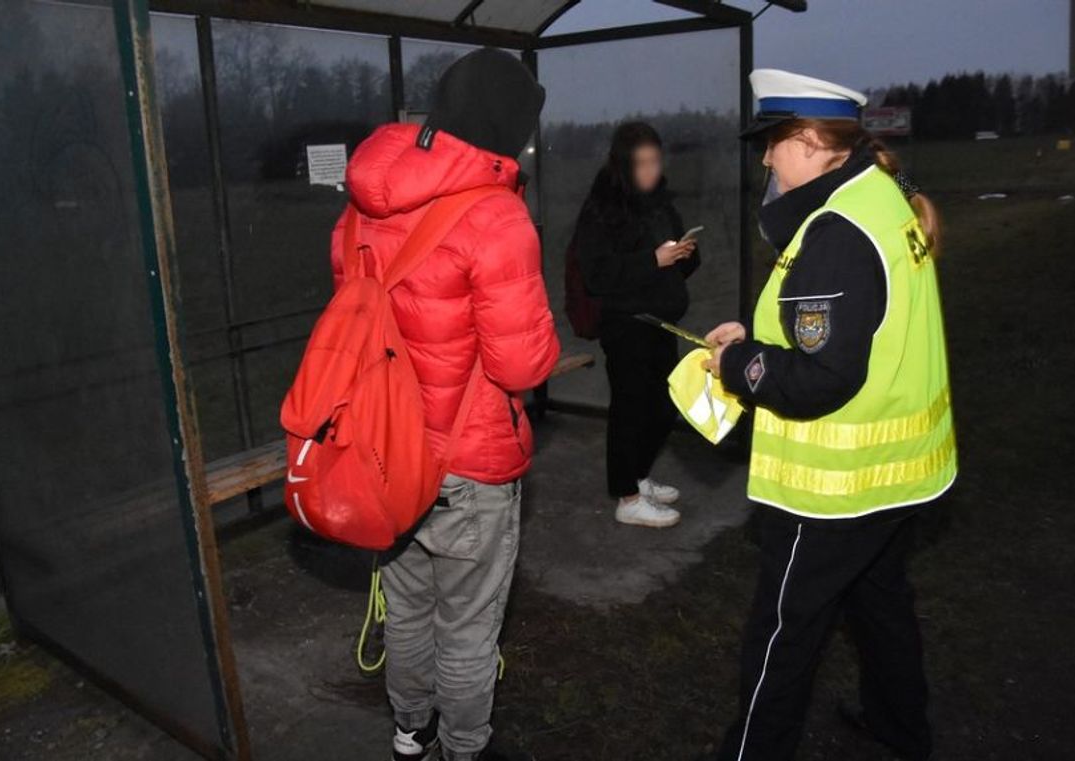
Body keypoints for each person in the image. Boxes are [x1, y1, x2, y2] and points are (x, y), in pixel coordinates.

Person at [703, 69, 957, 761]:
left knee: (783, 632)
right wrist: (752, 341)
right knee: (879, 605)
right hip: (899, 474)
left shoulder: (836, 230)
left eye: (772, 142)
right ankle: (900, 727)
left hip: (837, 486)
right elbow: (856, 333)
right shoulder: (879, 198)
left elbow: (820, 377)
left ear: (813, 141)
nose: (763, 158)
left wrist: (737, 365)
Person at [340, 49, 559, 761]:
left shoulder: (363, 201)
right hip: (469, 462)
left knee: (406, 607)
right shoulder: (497, 217)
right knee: (466, 626)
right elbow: (521, 363)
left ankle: (412, 732)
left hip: (384, 450)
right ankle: (466, 748)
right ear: (506, 126)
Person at [573, 121, 700, 528]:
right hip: (626, 324)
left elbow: (674, 264)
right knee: (630, 410)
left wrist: (684, 254)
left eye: (655, 162)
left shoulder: (660, 202)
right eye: (641, 163)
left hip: (660, 322)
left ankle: (640, 476)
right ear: (624, 165)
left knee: (662, 409)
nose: (651, 171)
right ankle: (627, 497)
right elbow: (596, 273)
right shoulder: (603, 208)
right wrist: (652, 260)